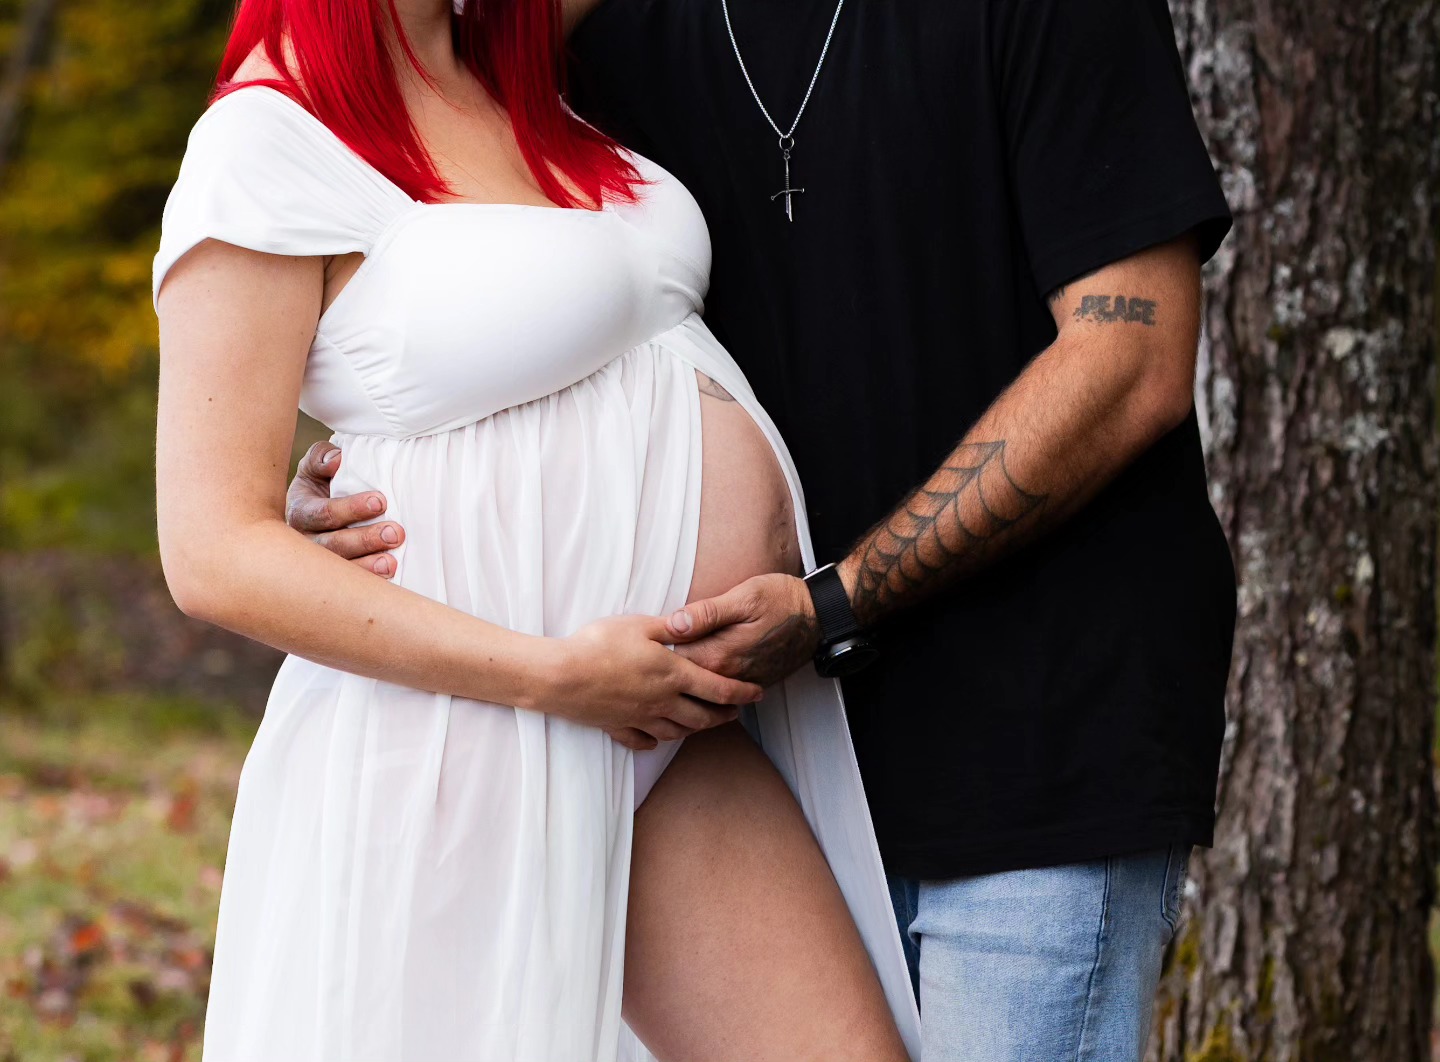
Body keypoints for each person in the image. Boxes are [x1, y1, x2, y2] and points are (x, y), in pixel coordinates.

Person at [296, 0, 1239, 1059]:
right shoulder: (594, 32)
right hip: (744, 756)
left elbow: (1133, 360)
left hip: (1041, 730)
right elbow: (508, 299)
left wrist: (835, 601)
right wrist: (374, 470)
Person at [152, 0, 922, 1058]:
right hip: (467, 735)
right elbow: (211, 552)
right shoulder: (265, 138)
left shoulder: (521, 75)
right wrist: (551, 675)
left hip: (656, 729)